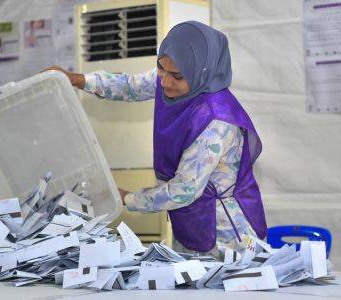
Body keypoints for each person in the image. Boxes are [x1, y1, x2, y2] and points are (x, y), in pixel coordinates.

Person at [43, 21, 267, 258]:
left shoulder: (216, 120)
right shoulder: (173, 79)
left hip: (227, 233)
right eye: (161, 69)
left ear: (201, 71)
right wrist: (77, 80)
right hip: (190, 219)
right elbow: (130, 86)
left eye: (177, 76)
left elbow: (184, 190)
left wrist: (128, 198)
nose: (165, 82)